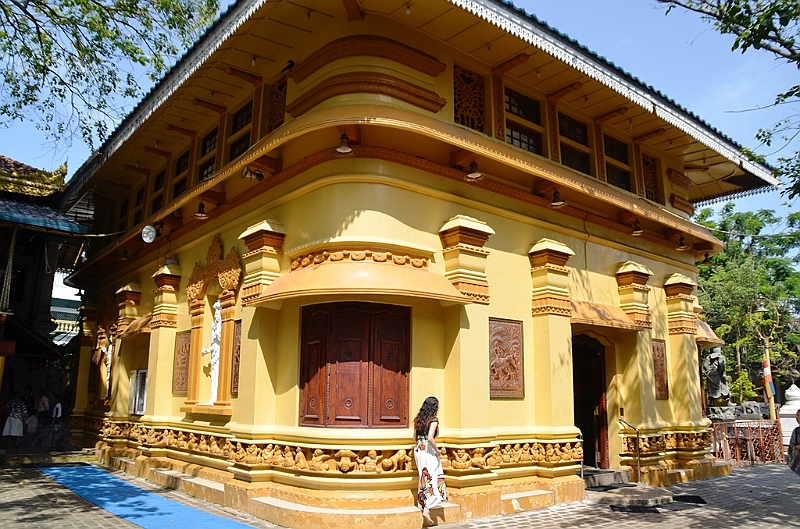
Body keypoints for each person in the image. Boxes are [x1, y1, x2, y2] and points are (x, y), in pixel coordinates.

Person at [413, 396, 447, 525]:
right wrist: (437, 451)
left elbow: (414, 437)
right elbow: (431, 438)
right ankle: (427, 508)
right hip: (428, 450)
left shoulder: (418, 419)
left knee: (423, 477)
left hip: (419, 450)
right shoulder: (433, 420)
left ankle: (423, 504)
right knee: (432, 476)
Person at [789, 409, 800, 478]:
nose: (796, 418)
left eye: (798, 416)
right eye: (796, 416)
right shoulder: (796, 431)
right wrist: (796, 447)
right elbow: (792, 445)